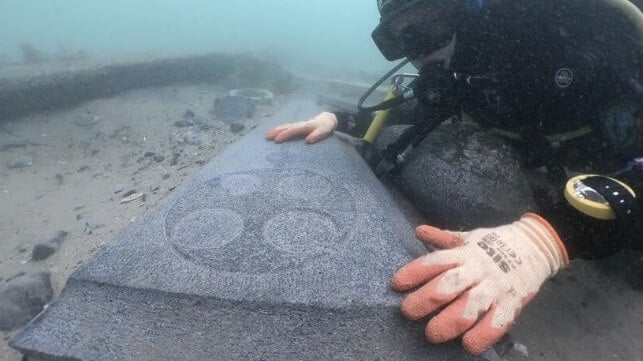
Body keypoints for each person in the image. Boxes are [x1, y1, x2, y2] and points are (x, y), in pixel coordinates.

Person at [267, 0, 643, 356]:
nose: (418, 51)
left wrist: (552, 237)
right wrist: (340, 119)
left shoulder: (574, 31)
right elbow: (416, 114)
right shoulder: (465, 72)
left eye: (427, 28)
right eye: (399, 39)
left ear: (463, 11)